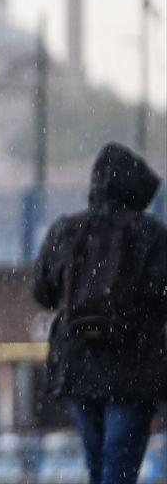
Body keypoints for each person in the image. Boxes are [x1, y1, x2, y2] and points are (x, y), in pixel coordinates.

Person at [33, 142, 165, 484]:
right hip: (134, 369)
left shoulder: (66, 230)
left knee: (97, 466)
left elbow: (43, 293)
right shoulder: (151, 234)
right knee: (119, 469)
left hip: (78, 365)